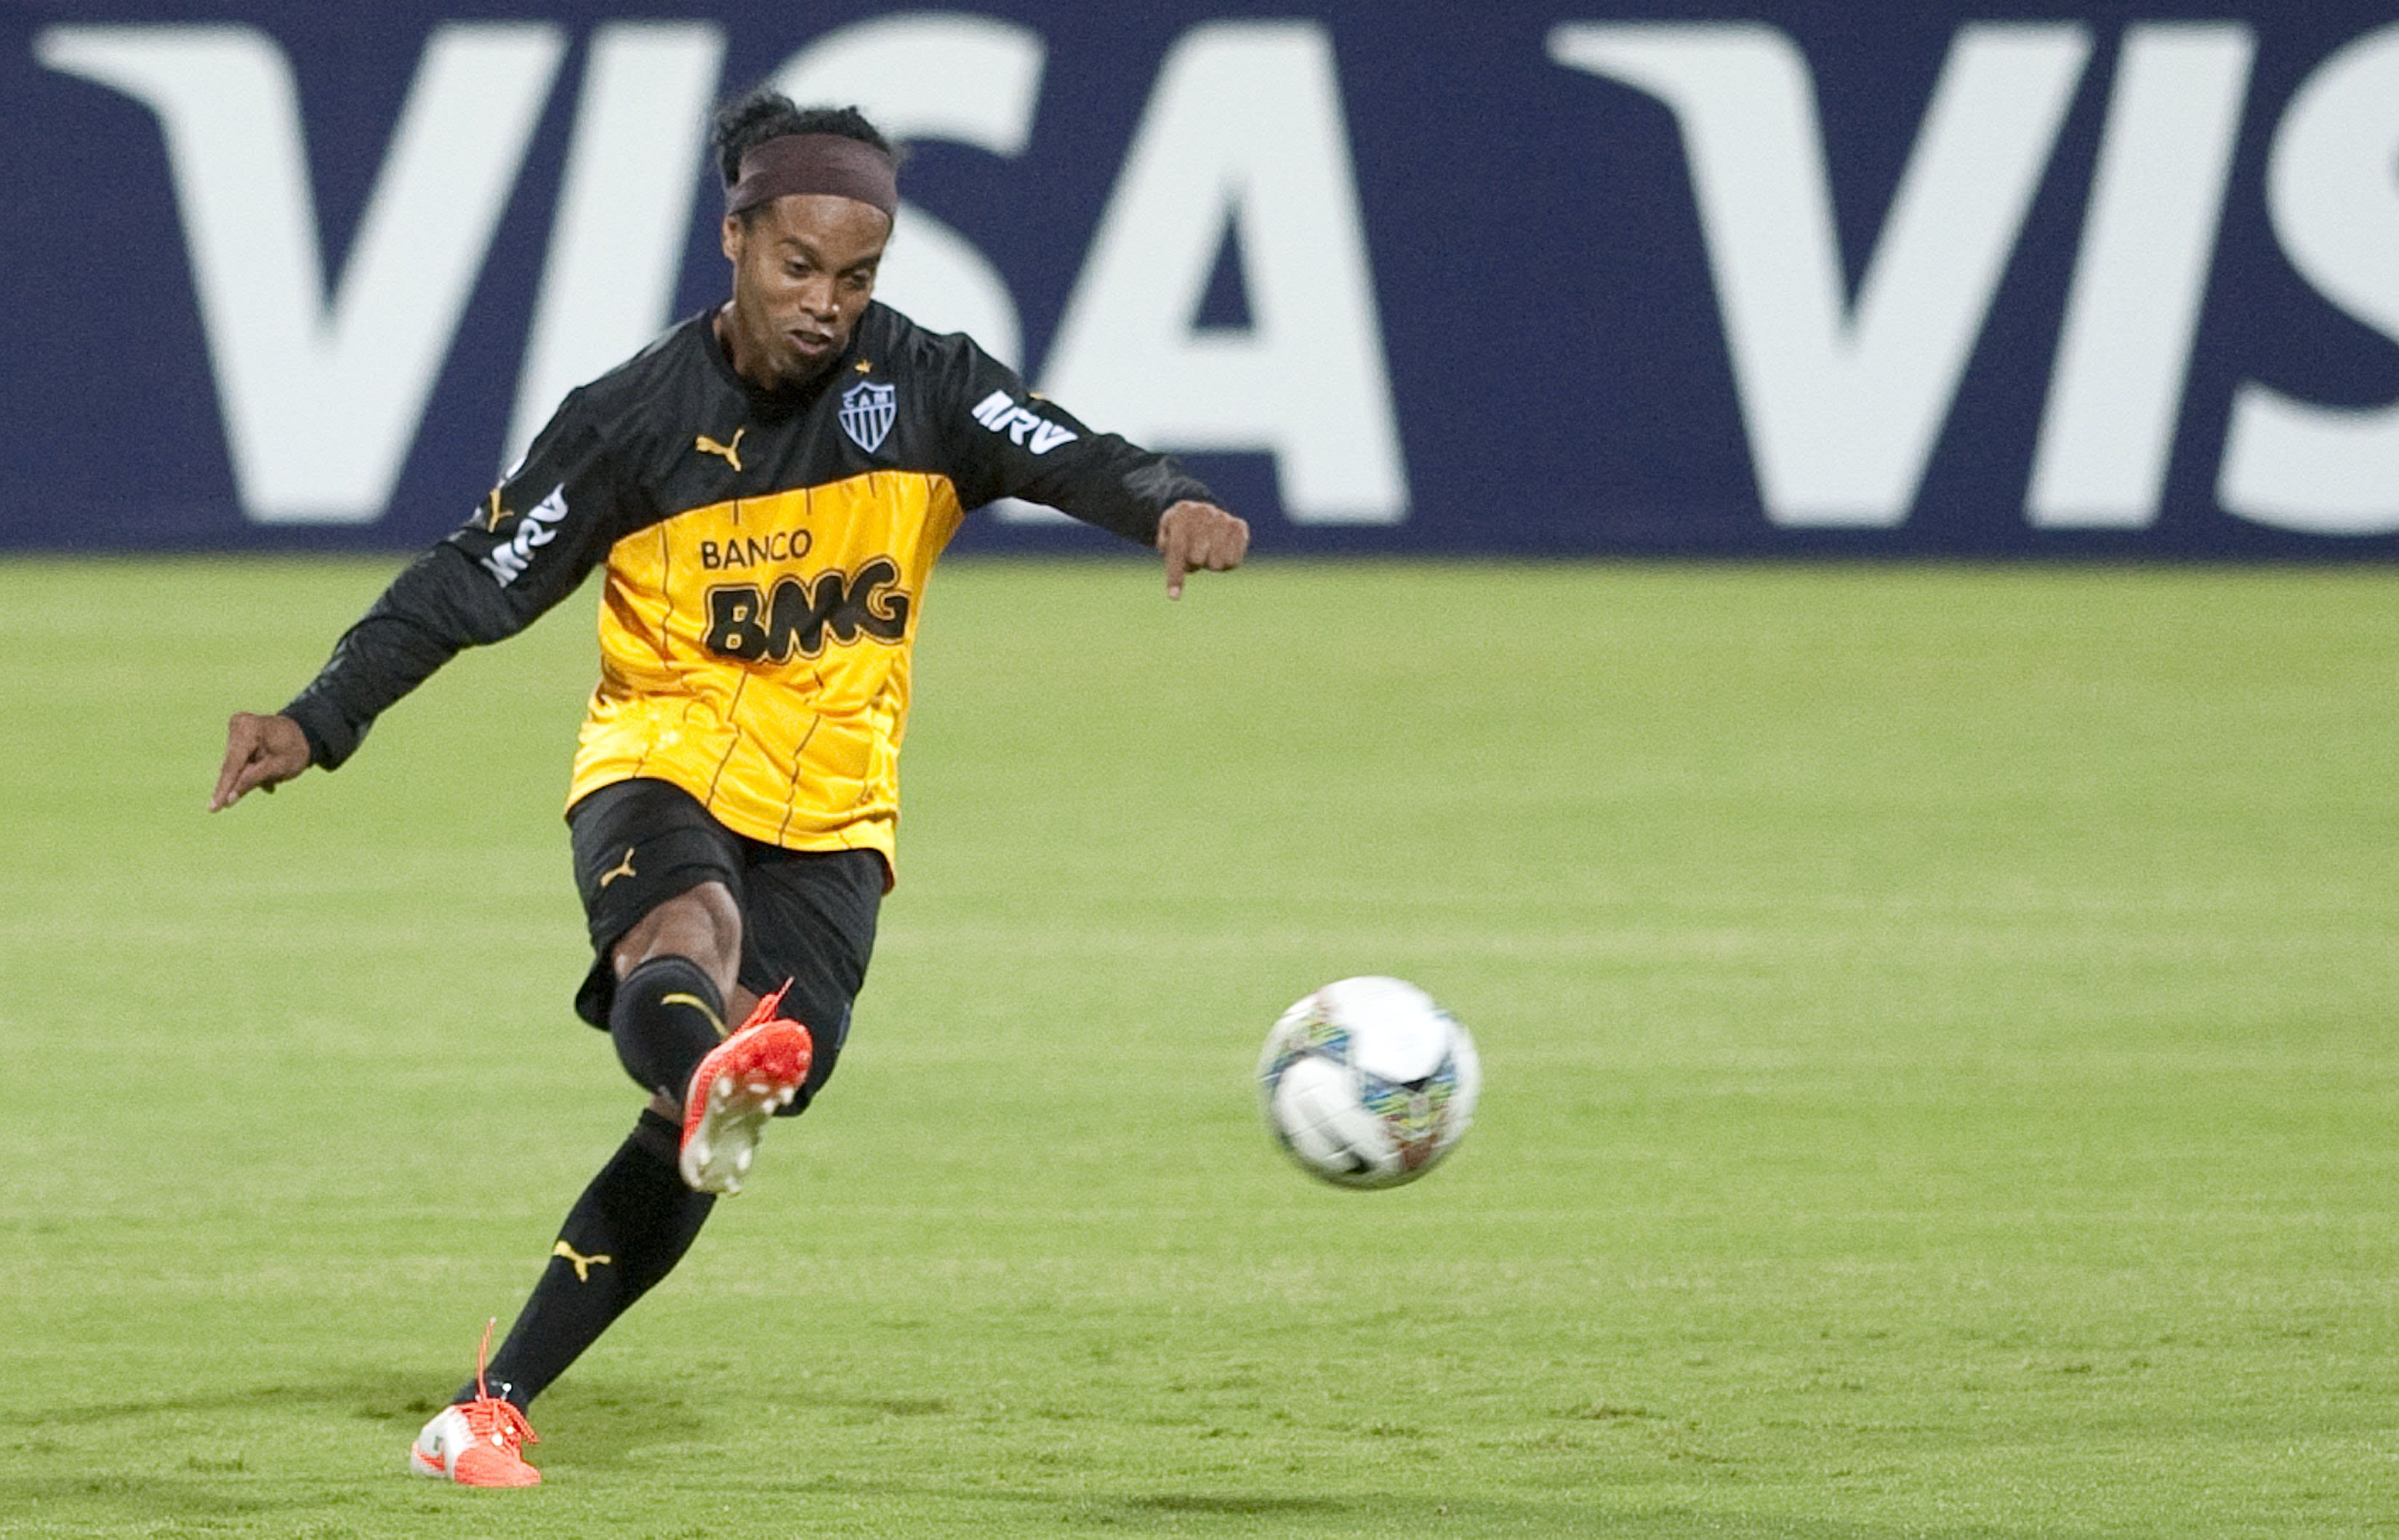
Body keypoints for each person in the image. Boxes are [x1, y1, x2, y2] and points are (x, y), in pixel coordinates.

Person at [209, 89, 1247, 1488]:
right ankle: (705, 1059)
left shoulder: (925, 386)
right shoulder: (631, 423)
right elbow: (476, 578)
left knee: (713, 1128)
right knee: (684, 937)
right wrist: (320, 716)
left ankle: (486, 1410)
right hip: (662, 758)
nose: (828, 304)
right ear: (736, 241)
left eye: (859, 276)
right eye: (799, 267)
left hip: (834, 819)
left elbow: (1068, 450)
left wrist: (1168, 501)